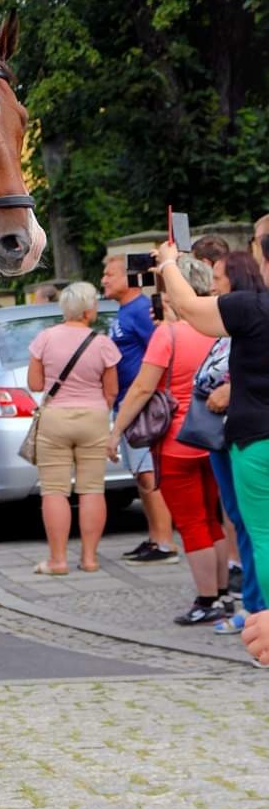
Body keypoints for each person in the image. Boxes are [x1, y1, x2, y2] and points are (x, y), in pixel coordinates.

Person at [155, 235, 269, 649]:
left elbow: (188, 308)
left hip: (257, 438)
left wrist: (168, 263)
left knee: (263, 534)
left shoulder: (252, 307)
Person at [108, 255, 228, 625]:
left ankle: (206, 599)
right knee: (214, 519)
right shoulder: (219, 328)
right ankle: (224, 593)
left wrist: (115, 432)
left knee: (192, 523)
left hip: (177, 441)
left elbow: (142, 388)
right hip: (214, 436)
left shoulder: (169, 334)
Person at [27, 282, 120, 574]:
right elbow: (112, 390)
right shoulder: (102, 343)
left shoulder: (44, 338)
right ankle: (90, 559)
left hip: (55, 418)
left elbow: (35, 384)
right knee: (92, 489)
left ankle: (57, 560)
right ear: (88, 311)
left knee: (54, 490)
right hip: (93, 417)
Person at [202, 251, 266, 633]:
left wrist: (229, 389)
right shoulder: (233, 318)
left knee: (253, 526)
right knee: (241, 521)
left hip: (247, 434)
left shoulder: (245, 316)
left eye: (217, 278)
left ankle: (257, 609)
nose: (212, 285)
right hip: (230, 433)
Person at [100, 253, 178, 565]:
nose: (104, 280)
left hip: (143, 406)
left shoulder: (141, 311)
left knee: (148, 475)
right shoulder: (125, 311)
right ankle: (155, 537)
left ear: (129, 278)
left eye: (110, 274)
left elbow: (162, 351)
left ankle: (165, 542)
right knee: (141, 476)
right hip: (127, 404)